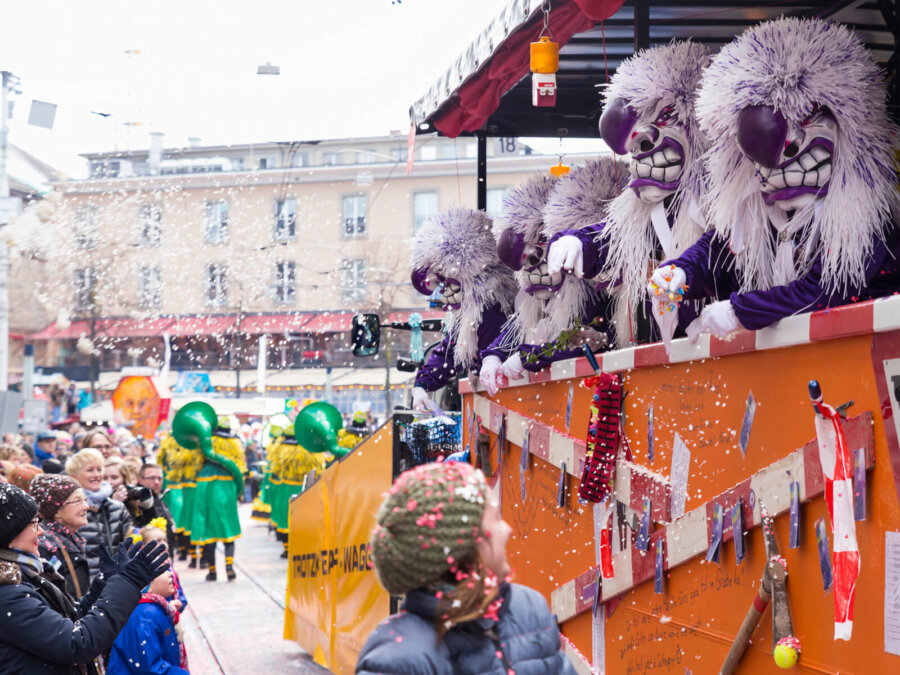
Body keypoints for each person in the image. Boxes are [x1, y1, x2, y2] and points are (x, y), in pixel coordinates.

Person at [356, 462, 576, 674]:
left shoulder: (529, 609)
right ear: (463, 548)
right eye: (496, 519)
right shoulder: (399, 659)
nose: (507, 530)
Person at [0, 482, 170, 674]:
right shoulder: (7, 593)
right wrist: (126, 583)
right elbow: (77, 643)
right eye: (32, 524)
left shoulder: (24, 574)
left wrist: (103, 584)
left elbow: (69, 619)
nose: (40, 531)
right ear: (9, 534)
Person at [67, 448, 134, 581]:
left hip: (117, 583)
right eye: (90, 470)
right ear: (75, 476)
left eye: (99, 469)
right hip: (87, 586)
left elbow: (130, 546)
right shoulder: (69, 510)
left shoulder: (117, 508)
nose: (96, 474)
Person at [106, 566, 189, 675]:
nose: (170, 574)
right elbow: (151, 668)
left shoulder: (157, 608)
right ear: (147, 586)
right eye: (163, 572)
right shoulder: (144, 617)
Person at [32, 474, 92, 599]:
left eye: (84, 500)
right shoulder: (47, 546)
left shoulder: (71, 539)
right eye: (77, 501)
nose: (86, 506)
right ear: (56, 511)